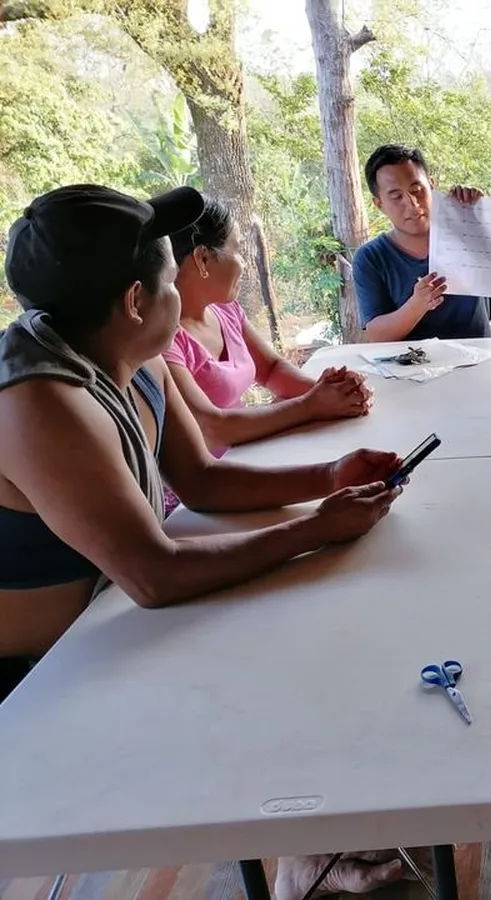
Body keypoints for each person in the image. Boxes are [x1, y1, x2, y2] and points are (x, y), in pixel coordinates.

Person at [0, 184, 415, 896]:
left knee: (314, 618)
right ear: (135, 300)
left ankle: (309, 840)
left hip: (108, 619)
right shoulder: (39, 401)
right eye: (169, 280)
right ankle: (300, 851)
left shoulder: (130, 347)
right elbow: (156, 577)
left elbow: (200, 480)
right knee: (283, 654)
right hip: (40, 676)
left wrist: (328, 476)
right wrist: (315, 527)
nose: (182, 291)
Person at [167, 195, 372, 456]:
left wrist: (333, 392)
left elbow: (271, 370)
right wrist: (312, 405)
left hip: (250, 457)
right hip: (209, 485)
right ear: (202, 259)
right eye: (237, 249)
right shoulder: (164, 341)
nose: (243, 262)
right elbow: (212, 429)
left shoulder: (225, 311)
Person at [353, 144, 491, 342]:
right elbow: (376, 336)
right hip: (409, 369)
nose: (412, 204)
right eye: (396, 196)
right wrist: (417, 304)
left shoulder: (463, 231)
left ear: (432, 186)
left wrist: (481, 219)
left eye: (417, 190)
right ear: (379, 204)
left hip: (476, 362)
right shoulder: (371, 257)